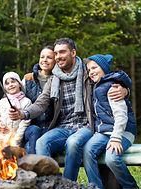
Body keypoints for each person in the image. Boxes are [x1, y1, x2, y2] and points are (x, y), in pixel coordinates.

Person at [9, 38, 129, 181]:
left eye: (62, 52)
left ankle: (67, 183)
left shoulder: (86, 71)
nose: (58, 56)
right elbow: (41, 103)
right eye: (56, 53)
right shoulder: (54, 79)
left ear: (73, 52)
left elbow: (109, 77)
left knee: (73, 143)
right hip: (64, 126)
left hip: (86, 125)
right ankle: (50, 182)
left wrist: (125, 89)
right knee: (42, 142)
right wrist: (23, 113)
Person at [83, 54, 138, 189]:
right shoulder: (97, 86)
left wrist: (115, 138)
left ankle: (131, 186)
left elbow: (121, 116)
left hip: (122, 132)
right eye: (89, 70)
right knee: (87, 150)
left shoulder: (112, 88)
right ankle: (95, 186)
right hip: (104, 132)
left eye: (94, 68)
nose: (91, 72)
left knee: (111, 158)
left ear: (104, 68)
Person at [21, 45, 55, 154]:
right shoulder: (28, 78)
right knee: (31, 142)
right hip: (31, 127)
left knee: (36, 146)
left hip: (51, 127)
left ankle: (36, 168)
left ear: (55, 60)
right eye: (42, 57)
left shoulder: (58, 79)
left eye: (49, 57)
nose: (44, 60)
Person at [0, 72, 32, 146]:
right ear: (5, 88)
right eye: (7, 83)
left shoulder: (27, 102)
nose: (10, 85)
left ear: (19, 84)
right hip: (0, 138)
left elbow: (25, 123)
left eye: (13, 82)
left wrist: (16, 141)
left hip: (15, 139)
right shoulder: (3, 101)